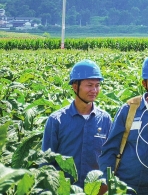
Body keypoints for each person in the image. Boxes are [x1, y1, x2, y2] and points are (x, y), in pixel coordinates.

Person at [98, 53, 148, 195]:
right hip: (125, 187)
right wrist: (106, 181)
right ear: (144, 84)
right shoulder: (130, 109)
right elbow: (110, 149)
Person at [42, 59, 112, 187]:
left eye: (97, 85)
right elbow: (46, 161)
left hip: (95, 190)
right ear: (75, 87)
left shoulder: (105, 119)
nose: (94, 90)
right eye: (89, 85)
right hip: (64, 189)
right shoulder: (57, 120)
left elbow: (109, 158)